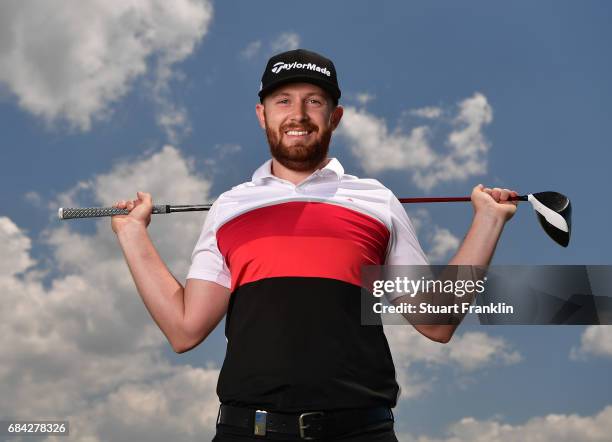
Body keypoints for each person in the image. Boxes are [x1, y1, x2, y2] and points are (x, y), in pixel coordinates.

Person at [111, 49, 518, 441]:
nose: (298, 114)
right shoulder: (228, 207)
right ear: (262, 114)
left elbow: (436, 319)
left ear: (334, 116)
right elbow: (185, 329)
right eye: (283, 100)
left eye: (314, 101)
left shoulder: (378, 200)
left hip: (361, 432)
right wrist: (133, 235)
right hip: (248, 431)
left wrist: (488, 221)